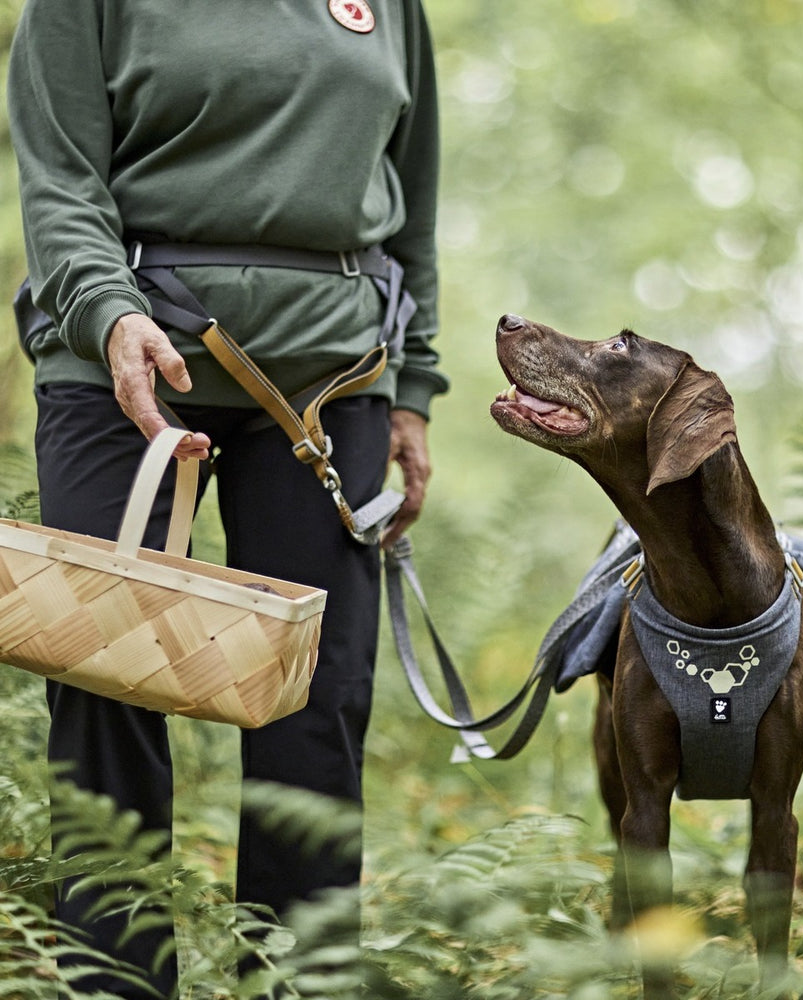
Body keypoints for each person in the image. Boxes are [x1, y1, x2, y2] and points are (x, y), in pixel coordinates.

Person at [6, 0, 447, 994]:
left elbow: (413, 209)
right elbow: (60, 180)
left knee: (318, 701)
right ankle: (115, 983)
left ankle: (296, 981)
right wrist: (106, 312)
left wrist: (414, 385)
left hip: (333, 379)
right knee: (103, 687)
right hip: (123, 358)